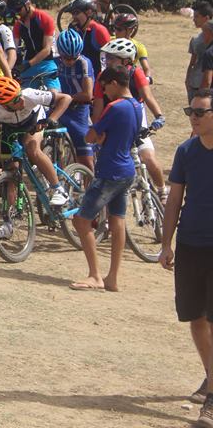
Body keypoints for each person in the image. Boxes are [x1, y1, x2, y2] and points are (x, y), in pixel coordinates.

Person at [159, 88, 213, 421]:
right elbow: (174, 200)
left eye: (200, 112)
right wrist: (166, 244)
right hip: (190, 244)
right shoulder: (185, 152)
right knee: (196, 319)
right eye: (190, 111)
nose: (193, 117)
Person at [70, 65, 141, 293]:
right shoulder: (136, 106)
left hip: (110, 171)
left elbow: (90, 136)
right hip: (126, 169)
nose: (104, 92)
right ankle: (112, 278)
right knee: (117, 220)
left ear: (114, 83)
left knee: (81, 221)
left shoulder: (115, 107)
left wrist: (97, 136)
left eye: (105, 87)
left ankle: (95, 275)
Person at [0, 76, 73, 237]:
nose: (21, 100)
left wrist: (51, 119)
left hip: (34, 121)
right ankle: (8, 224)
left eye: (19, 95)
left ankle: (59, 189)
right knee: (11, 173)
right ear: (3, 104)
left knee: (31, 149)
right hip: (9, 129)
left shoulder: (28, 94)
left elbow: (66, 98)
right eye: (15, 100)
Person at [93, 38, 167, 200]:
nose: (107, 61)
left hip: (135, 119)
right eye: (106, 57)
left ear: (126, 61)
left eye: (112, 58)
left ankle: (162, 190)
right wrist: (96, 130)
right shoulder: (102, 77)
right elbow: (98, 106)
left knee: (147, 157)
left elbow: (147, 96)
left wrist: (159, 116)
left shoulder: (135, 72)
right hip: (113, 120)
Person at [55, 29, 96, 170]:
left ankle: (90, 180)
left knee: (85, 159)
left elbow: (87, 94)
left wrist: (66, 98)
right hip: (60, 107)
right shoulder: (55, 61)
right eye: (66, 58)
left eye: (74, 58)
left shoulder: (84, 63)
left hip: (79, 110)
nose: (71, 61)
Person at [9, 0, 60, 90]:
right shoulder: (18, 24)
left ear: (28, 4)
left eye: (18, 9)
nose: (17, 13)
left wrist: (28, 64)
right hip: (28, 65)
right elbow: (14, 48)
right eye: (14, 10)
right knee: (23, 97)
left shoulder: (44, 18)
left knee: (55, 95)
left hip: (46, 63)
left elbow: (46, 50)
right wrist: (10, 67)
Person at [65, 0, 111, 78]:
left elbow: (111, 57)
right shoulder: (75, 30)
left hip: (97, 78)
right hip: (79, 76)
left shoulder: (99, 30)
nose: (74, 17)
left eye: (77, 13)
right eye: (72, 14)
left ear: (89, 12)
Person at [112, 12, 152, 80]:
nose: (116, 31)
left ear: (130, 30)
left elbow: (146, 69)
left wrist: (147, 79)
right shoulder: (108, 40)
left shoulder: (139, 47)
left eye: (119, 29)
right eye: (114, 28)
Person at [188, 3, 213, 101]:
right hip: (195, 84)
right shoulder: (195, 40)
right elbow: (192, 63)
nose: (194, 19)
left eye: (197, 16)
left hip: (207, 88)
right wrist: (187, 79)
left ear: (206, 18)